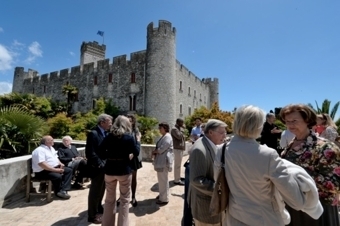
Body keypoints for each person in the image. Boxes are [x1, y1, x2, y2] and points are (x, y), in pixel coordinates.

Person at [216, 105, 322, 226]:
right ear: (258, 126)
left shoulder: (221, 150)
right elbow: (297, 202)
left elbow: (220, 181)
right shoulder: (267, 155)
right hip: (265, 219)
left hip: (234, 217)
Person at [280, 104, 340, 226]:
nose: (290, 125)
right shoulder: (290, 146)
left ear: (307, 120)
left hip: (319, 208)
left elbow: (333, 184)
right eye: (287, 121)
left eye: (295, 121)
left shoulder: (325, 147)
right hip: (295, 206)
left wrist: (295, 179)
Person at [97, 115, 141, 226]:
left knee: (109, 200)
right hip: (124, 170)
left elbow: (100, 152)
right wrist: (138, 141)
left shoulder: (109, 136)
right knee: (125, 200)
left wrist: (111, 156)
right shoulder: (129, 137)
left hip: (110, 170)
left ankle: (107, 224)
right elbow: (136, 152)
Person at [188, 119, 227, 226]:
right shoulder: (200, 150)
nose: (225, 136)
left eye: (225, 132)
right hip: (206, 210)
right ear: (210, 132)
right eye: (222, 132)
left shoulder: (211, 144)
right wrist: (221, 190)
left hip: (213, 208)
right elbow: (196, 180)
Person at [86, 113, 113, 224]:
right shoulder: (93, 134)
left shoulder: (106, 133)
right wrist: (100, 164)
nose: (111, 124)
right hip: (97, 168)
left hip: (104, 168)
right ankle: (92, 215)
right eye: (109, 122)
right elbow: (90, 152)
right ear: (102, 122)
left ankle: (98, 208)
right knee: (95, 191)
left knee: (101, 190)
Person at [152, 122, 173, 205]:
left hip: (164, 161)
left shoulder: (167, 137)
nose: (159, 129)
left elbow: (161, 149)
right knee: (163, 179)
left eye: (160, 128)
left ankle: (164, 198)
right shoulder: (165, 136)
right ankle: (163, 195)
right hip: (162, 161)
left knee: (163, 180)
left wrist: (154, 151)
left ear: (165, 128)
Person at [127, 114, 142, 207]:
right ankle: (123, 196)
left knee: (133, 178)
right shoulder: (123, 131)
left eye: (130, 120)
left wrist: (133, 153)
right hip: (125, 157)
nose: (129, 122)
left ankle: (133, 196)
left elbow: (137, 143)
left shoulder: (135, 131)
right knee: (124, 178)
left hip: (133, 157)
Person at [170, 118, 186, 186]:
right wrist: (182, 130)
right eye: (182, 122)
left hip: (180, 148)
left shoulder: (178, 129)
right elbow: (179, 136)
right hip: (177, 149)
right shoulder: (174, 129)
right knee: (177, 165)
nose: (183, 124)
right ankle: (176, 180)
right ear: (178, 122)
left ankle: (178, 177)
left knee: (179, 165)